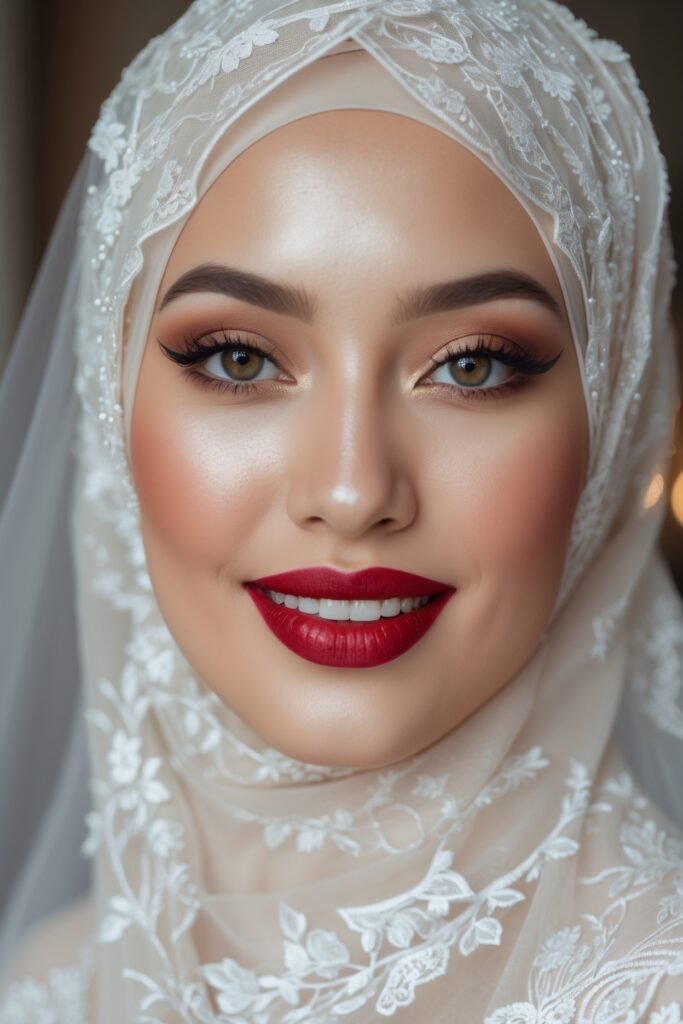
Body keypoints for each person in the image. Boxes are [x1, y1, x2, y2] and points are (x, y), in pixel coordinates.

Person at [1, 1, 682, 1020]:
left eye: (471, 364)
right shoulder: (44, 987)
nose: (353, 491)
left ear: (615, 409)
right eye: (238, 358)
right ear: (110, 397)